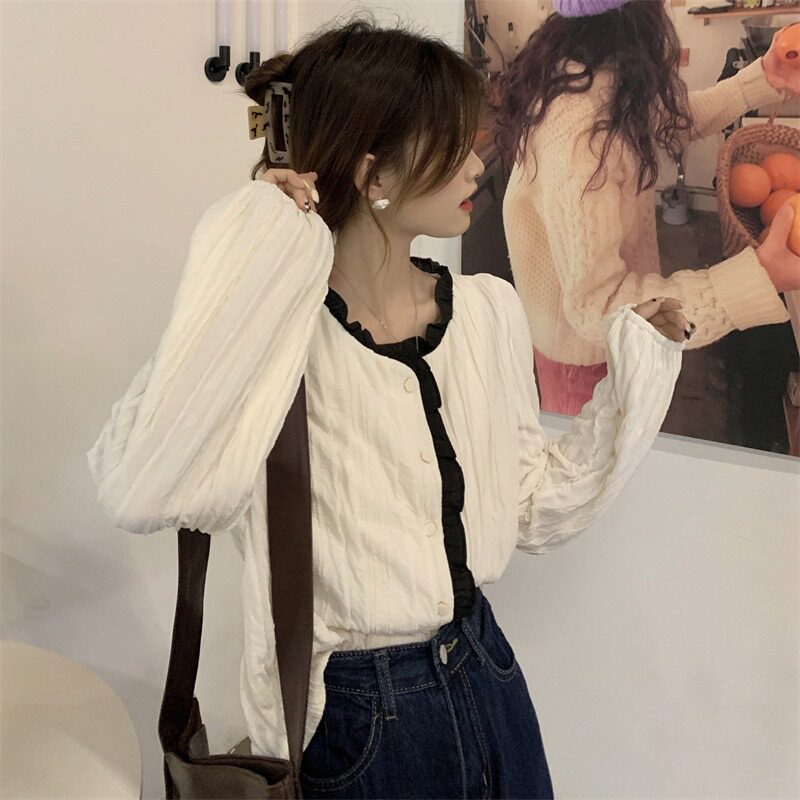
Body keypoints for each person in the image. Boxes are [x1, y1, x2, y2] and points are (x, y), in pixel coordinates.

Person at [87, 16, 690, 799]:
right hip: (352, 720)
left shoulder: (486, 312)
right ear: (373, 172)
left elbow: (533, 506)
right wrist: (259, 234)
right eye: (451, 145)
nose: (476, 163)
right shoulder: (276, 332)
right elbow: (141, 487)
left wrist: (639, 370)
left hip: (489, 677)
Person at [497, 0, 800, 415]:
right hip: (584, 361)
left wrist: (763, 77)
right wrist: (754, 279)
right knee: (605, 455)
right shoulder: (581, 136)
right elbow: (599, 309)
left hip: (606, 342)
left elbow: (673, 119)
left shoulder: (593, 70)